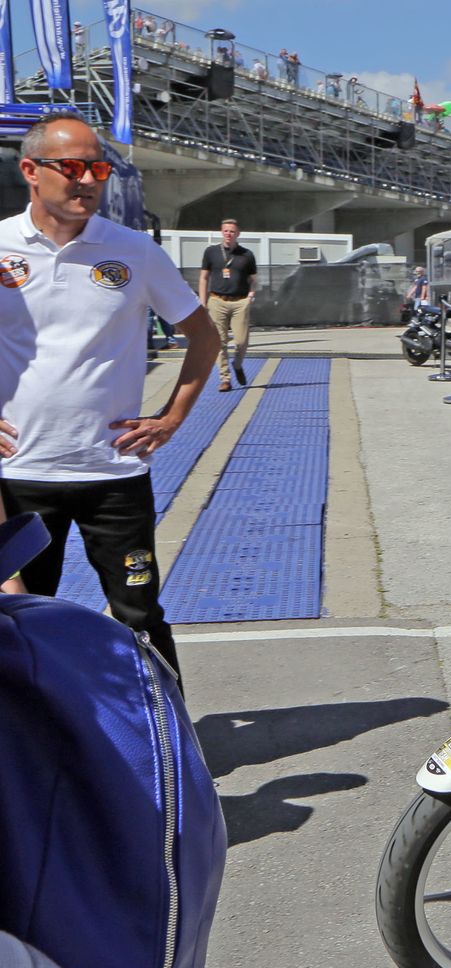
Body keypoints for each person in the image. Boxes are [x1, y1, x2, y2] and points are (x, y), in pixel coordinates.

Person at [0, 114, 221, 679]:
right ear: (31, 171)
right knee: (16, 622)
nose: (87, 180)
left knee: (139, 618)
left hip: (114, 475)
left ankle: (167, 732)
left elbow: (204, 335)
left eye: (97, 169)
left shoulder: (134, 250)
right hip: (20, 475)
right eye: (72, 167)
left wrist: (171, 418)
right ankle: (37, 736)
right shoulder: (1, 245)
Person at [197, 218, 257, 391]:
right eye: (226, 231)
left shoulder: (247, 254)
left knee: (242, 341)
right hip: (217, 301)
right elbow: (204, 278)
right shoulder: (211, 252)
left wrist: (250, 296)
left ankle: (237, 364)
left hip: (239, 302)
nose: (228, 234)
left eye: (232, 231)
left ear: (238, 233)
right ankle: (225, 378)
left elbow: (254, 280)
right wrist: (203, 302)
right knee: (219, 341)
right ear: (221, 232)